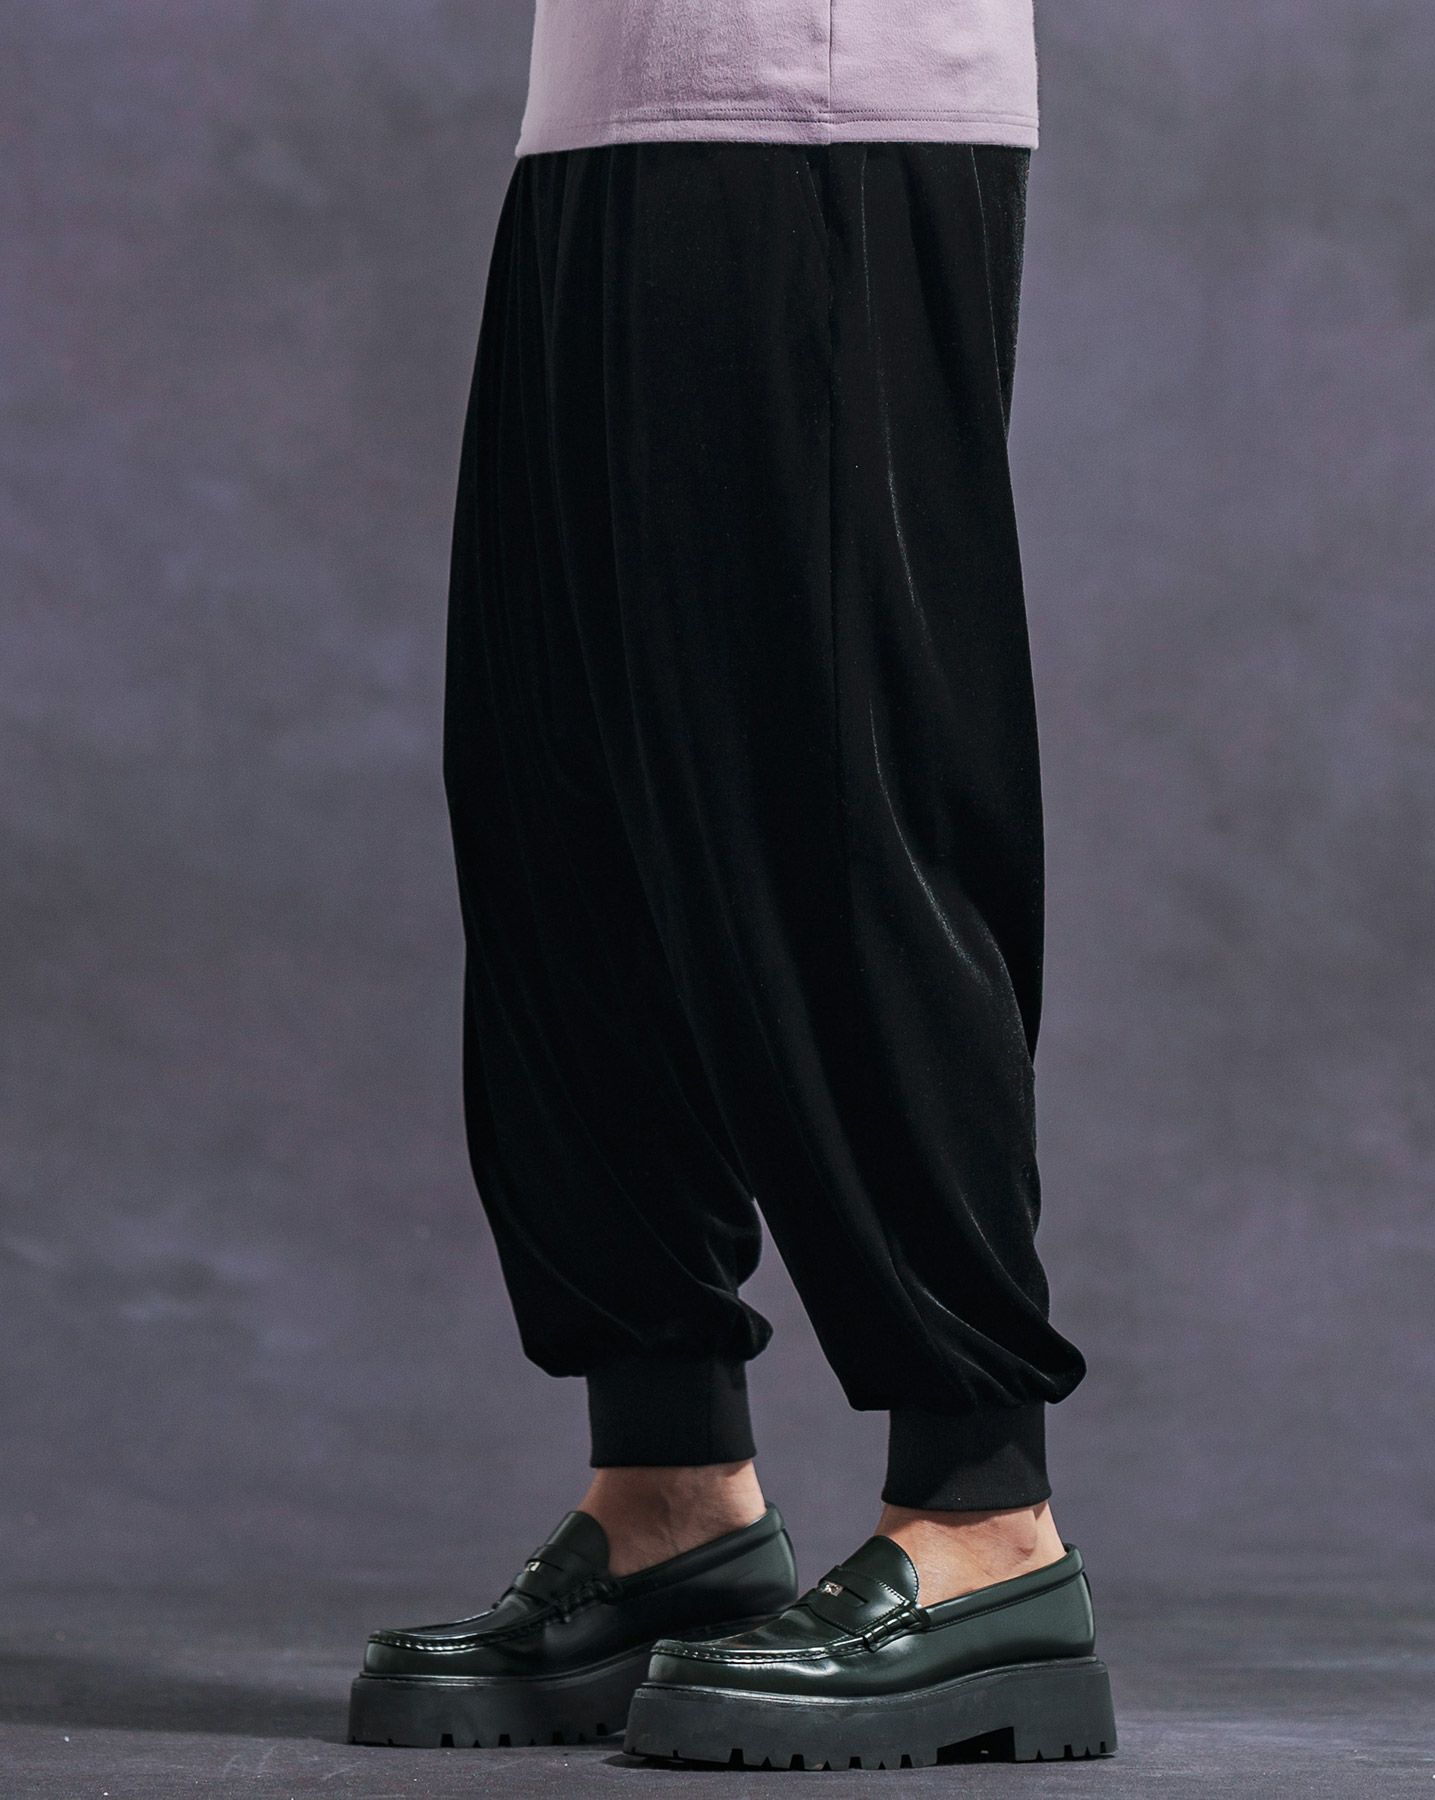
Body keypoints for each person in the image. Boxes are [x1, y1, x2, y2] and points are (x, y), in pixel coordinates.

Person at [347, 0, 1116, 1770]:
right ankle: (670, 1498)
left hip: (821, 108)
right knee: (565, 817)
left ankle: (981, 1515)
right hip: (593, 120)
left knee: (833, 807)